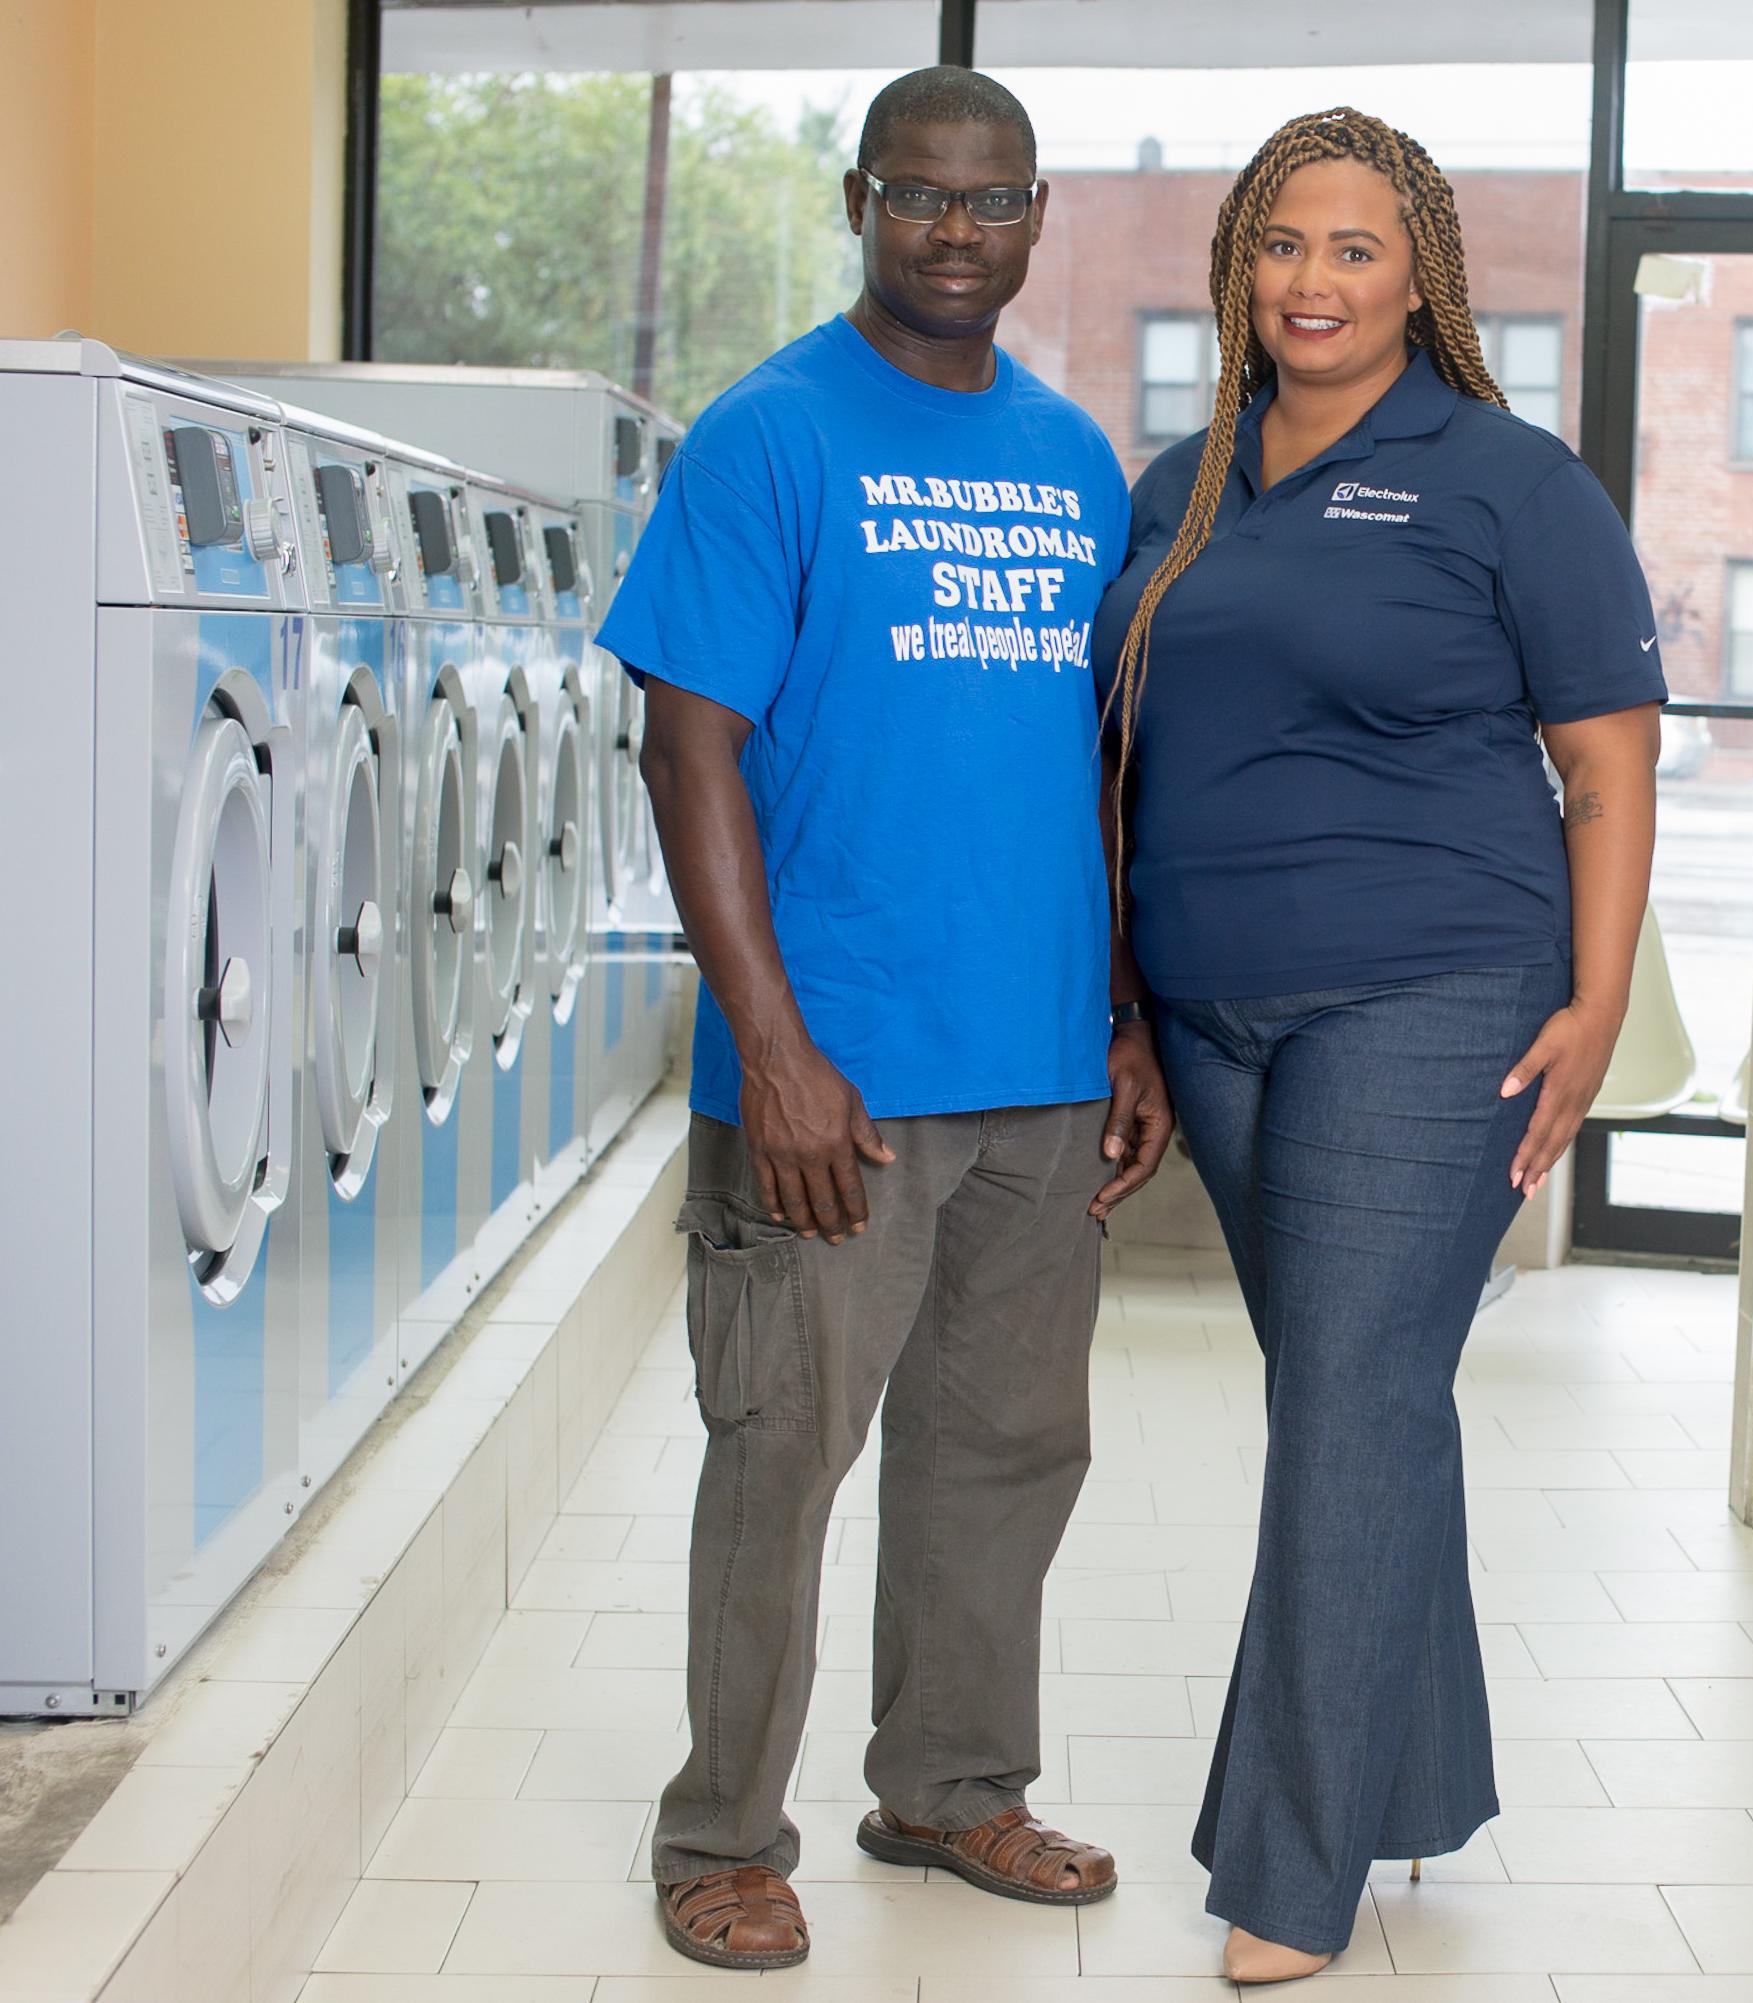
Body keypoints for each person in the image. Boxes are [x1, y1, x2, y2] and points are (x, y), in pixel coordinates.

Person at [598, 66, 1173, 1972]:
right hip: (831, 1073)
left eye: (993, 199)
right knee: (781, 1454)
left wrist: (1125, 1018)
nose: (955, 230)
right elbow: (687, 747)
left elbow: (1096, 768)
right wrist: (770, 1048)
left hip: (1038, 1064)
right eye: (919, 194)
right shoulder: (769, 435)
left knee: (1004, 1452)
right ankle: (718, 1835)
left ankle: (949, 1788)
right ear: (861, 202)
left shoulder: (1074, 459)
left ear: (1036, 218)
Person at [1093, 107, 1665, 1983]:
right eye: (1281, 244)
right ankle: (1406, 1772)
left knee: (1342, 1401)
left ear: (1421, 275)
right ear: (1235, 270)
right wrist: (1133, 1012)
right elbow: (1127, 757)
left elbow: (1608, 762)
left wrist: (1594, 1005)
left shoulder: (1508, 480)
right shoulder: (1181, 486)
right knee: (1368, 1396)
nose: (1313, 281)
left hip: (1432, 998)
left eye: (1354, 248)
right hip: (1215, 1015)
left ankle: (1291, 1873)